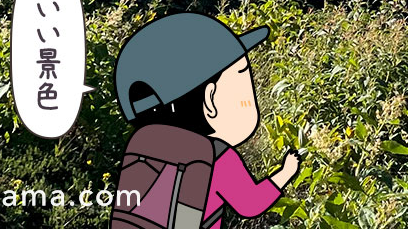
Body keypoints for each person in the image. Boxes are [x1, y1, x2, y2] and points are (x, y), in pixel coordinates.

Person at [110, 12, 301, 228]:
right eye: (243, 78)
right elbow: (250, 204)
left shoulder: (144, 142)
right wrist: (286, 172)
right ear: (210, 100)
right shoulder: (218, 156)